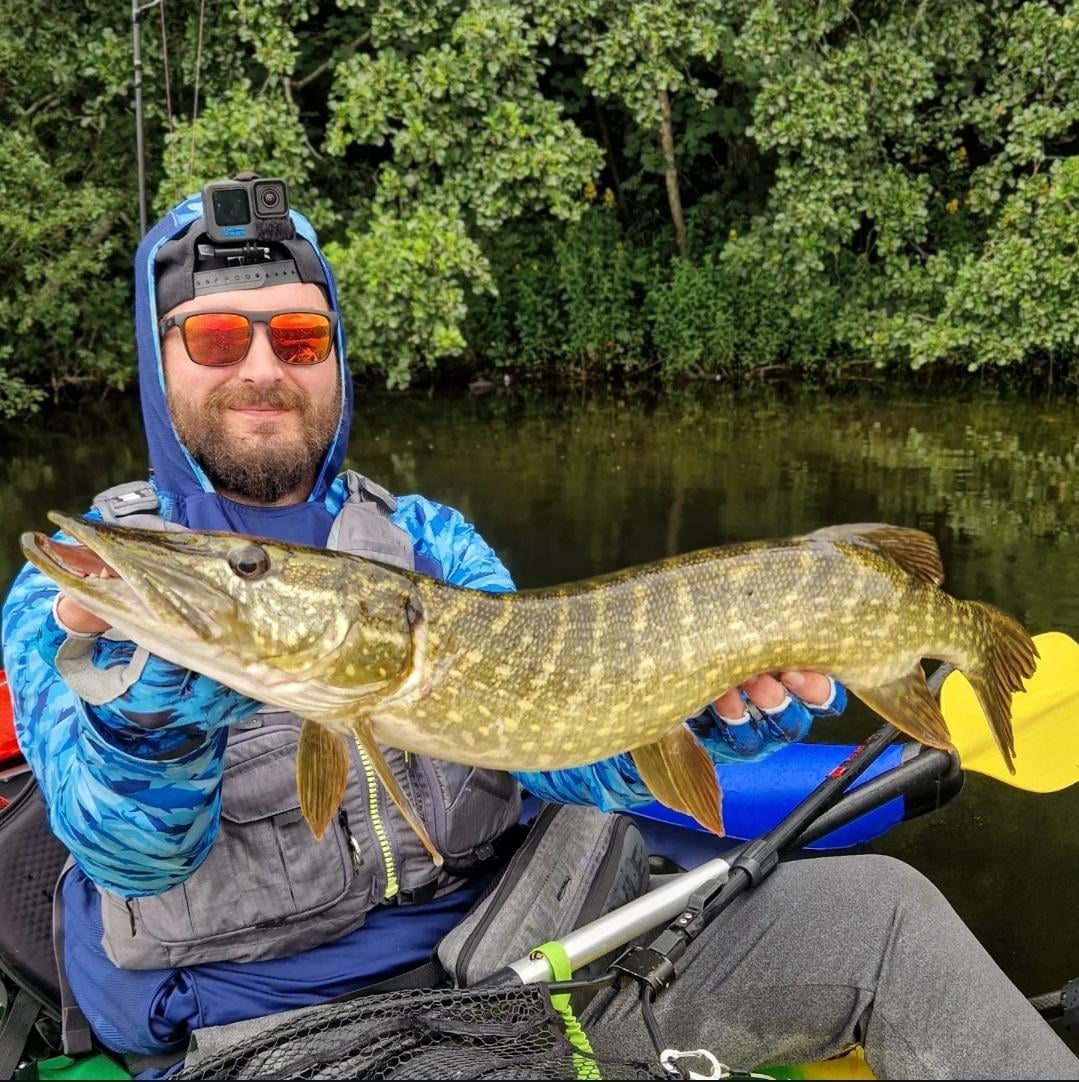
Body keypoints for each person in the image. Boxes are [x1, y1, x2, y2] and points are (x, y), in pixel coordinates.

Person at [3, 179, 1075, 1082]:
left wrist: (697, 717)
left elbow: (558, 757)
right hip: (271, 1037)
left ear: (333, 359)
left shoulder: (429, 545)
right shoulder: (78, 597)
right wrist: (158, 700)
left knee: (883, 916)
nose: (261, 368)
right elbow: (127, 856)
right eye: (214, 336)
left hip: (522, 959)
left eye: (297, 336)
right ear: (160, 361)